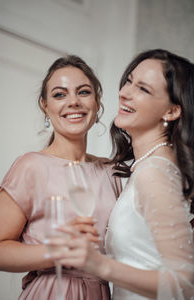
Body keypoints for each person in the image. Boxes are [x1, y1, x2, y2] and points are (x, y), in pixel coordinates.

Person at [51, 49, 194, 299]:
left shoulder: (155, 173)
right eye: (129, 80)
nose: (124, 92)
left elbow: (185, 282)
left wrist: (99, 265)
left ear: (171, 111)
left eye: (143, 89)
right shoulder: (146, 166)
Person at [0, 55, 122, 300]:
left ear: (97, 102)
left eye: (83, 92)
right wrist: (56, 250)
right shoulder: (30, 166)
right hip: (52, 292)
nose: (73, 102)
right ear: (45, 106)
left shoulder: (110, 170)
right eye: (60, 94)